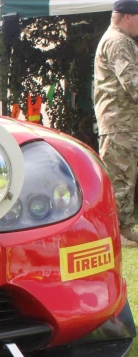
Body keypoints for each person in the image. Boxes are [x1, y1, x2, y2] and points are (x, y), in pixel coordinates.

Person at [95, 0, 138, 246]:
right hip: (118, 122)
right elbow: (133, 83)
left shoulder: (120, 40)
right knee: (118, 178)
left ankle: (123, 229)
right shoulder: (118, 42)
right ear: (128, 17)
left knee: (125, 176)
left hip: (123, 122)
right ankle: (117, 233)